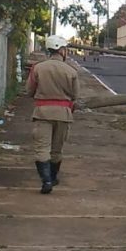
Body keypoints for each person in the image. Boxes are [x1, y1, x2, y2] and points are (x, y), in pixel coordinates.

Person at [26, 35, 79, 194]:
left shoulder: (38, 68)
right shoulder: (71, 71)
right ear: (62, 50)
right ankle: (54, 177)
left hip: (42, 113)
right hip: (63, 114)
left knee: (42, 148)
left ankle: (46, 181)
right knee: (57, 150)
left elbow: (29, 91)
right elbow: (75, 95)